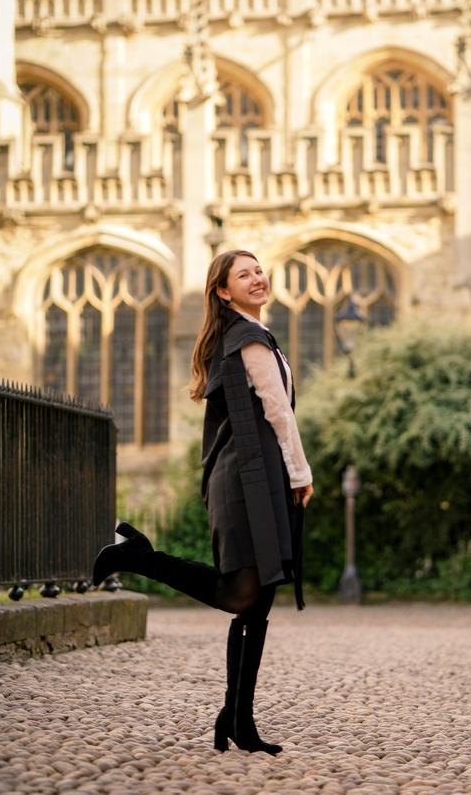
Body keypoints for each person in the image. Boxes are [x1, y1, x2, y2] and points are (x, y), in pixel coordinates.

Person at [92, 249, 313, 756]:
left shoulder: (244, 337)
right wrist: (302, 474)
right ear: (222, 291)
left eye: (259, 270)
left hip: (253, 476)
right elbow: (279, 414)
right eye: (244, 274)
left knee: (257, 603)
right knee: (241, 595)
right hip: (248, 482)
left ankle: (236, 719)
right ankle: (136, 558)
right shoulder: (249, 339)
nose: (258, 278)